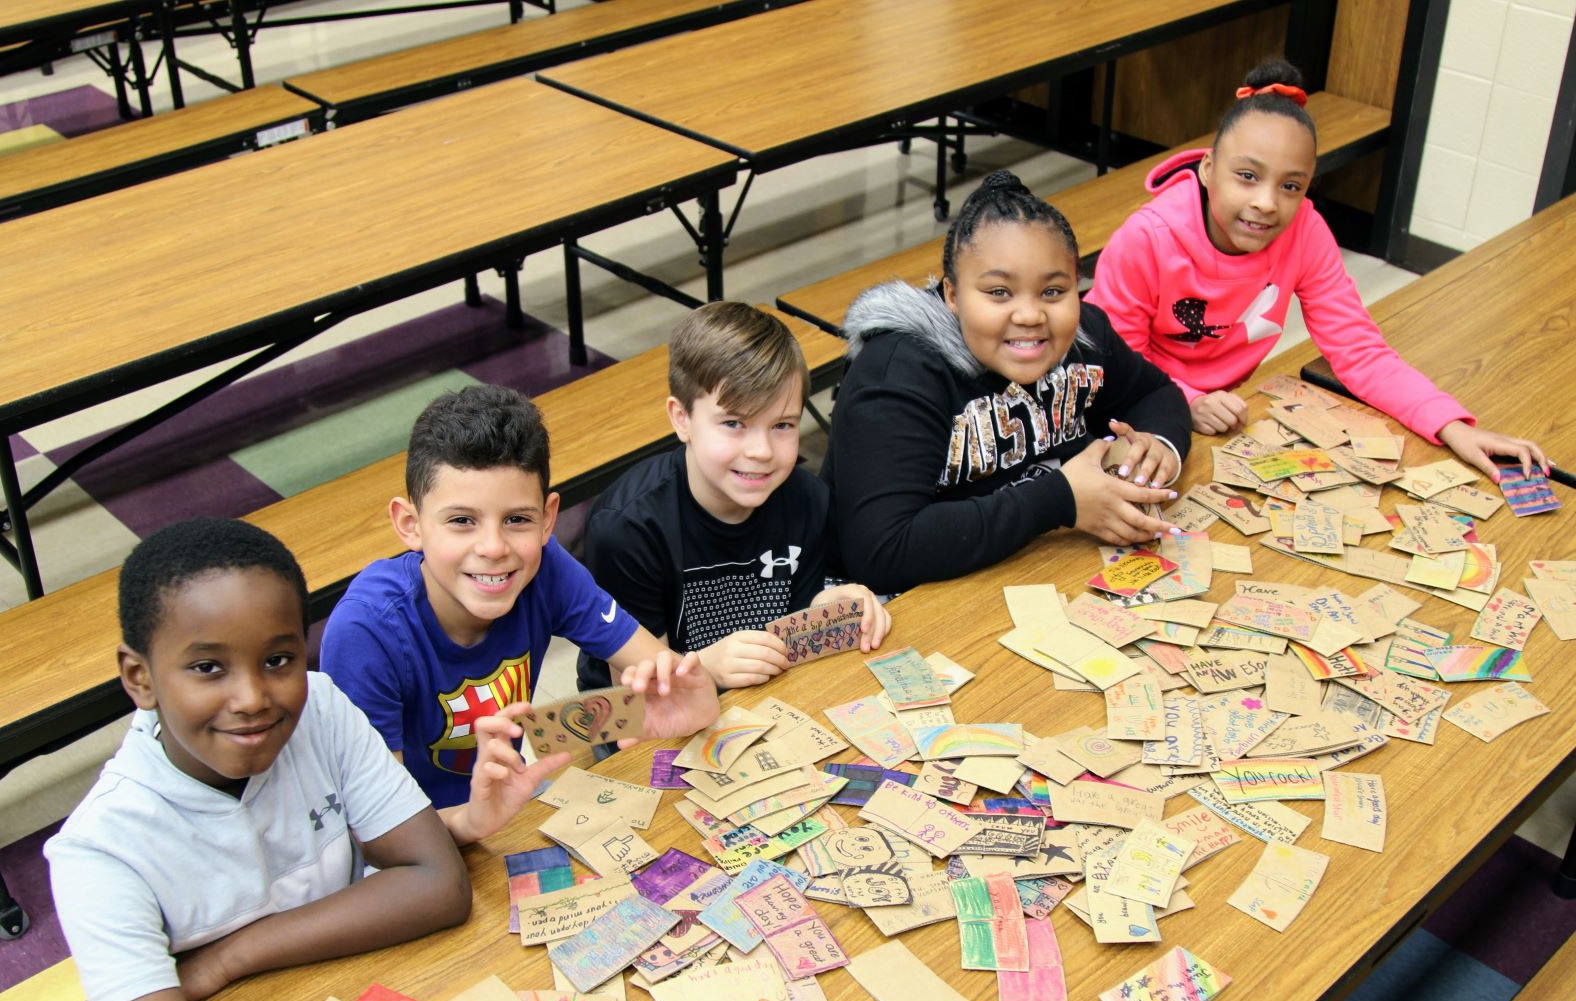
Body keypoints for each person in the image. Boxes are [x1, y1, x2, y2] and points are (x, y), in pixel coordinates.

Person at [45, 519, 470, 1001]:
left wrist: (231, 957)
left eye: (277, 660)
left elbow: (438, 885)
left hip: (349, 999)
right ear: (139, 677)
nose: (251, 698)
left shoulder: (321, 708)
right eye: (207, 668)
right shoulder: (101, 850)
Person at [1086, 59, 1548, 478]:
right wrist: (1189, 402)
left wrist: (1451, 426)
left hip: (1224, 414)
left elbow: (1359, 350)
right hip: (1122, 406)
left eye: (1291, 185)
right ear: (1208, 168)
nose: (1267, 202)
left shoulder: (1305, 229)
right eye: (1247, 176)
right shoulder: (1145, 239)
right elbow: (1110, 365)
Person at [320, 385, 721, 845]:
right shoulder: (365, 631)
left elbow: (658, 677)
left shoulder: (545, 566)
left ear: (549, 520)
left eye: (517, 520)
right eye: (461, 521)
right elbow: (379, 834)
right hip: (414, 847)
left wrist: (674, 706)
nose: (494, 548)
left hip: (508, 805)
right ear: (410, 525)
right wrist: (473, 821)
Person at [821, 170, 1193, 593]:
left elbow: (1155, 393)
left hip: (1028, 564)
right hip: (898, 599)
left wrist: (1157, 448)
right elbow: (880, 551)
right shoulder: (897, 375)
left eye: (1053, 291)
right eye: (999, 292)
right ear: (953, 295)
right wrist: (1060, 500)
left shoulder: (1084, 335)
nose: (1030, 315)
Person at [577, 302, 890, 691]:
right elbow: (634, 700)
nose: (761, 451)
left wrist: (827, 610)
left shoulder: (807, 499)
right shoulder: (627, 527)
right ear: (682, 418)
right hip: (648, 720)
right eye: (733, 423)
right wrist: (706, 668)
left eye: (782, 425)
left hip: (760, 699)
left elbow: (791, 637)